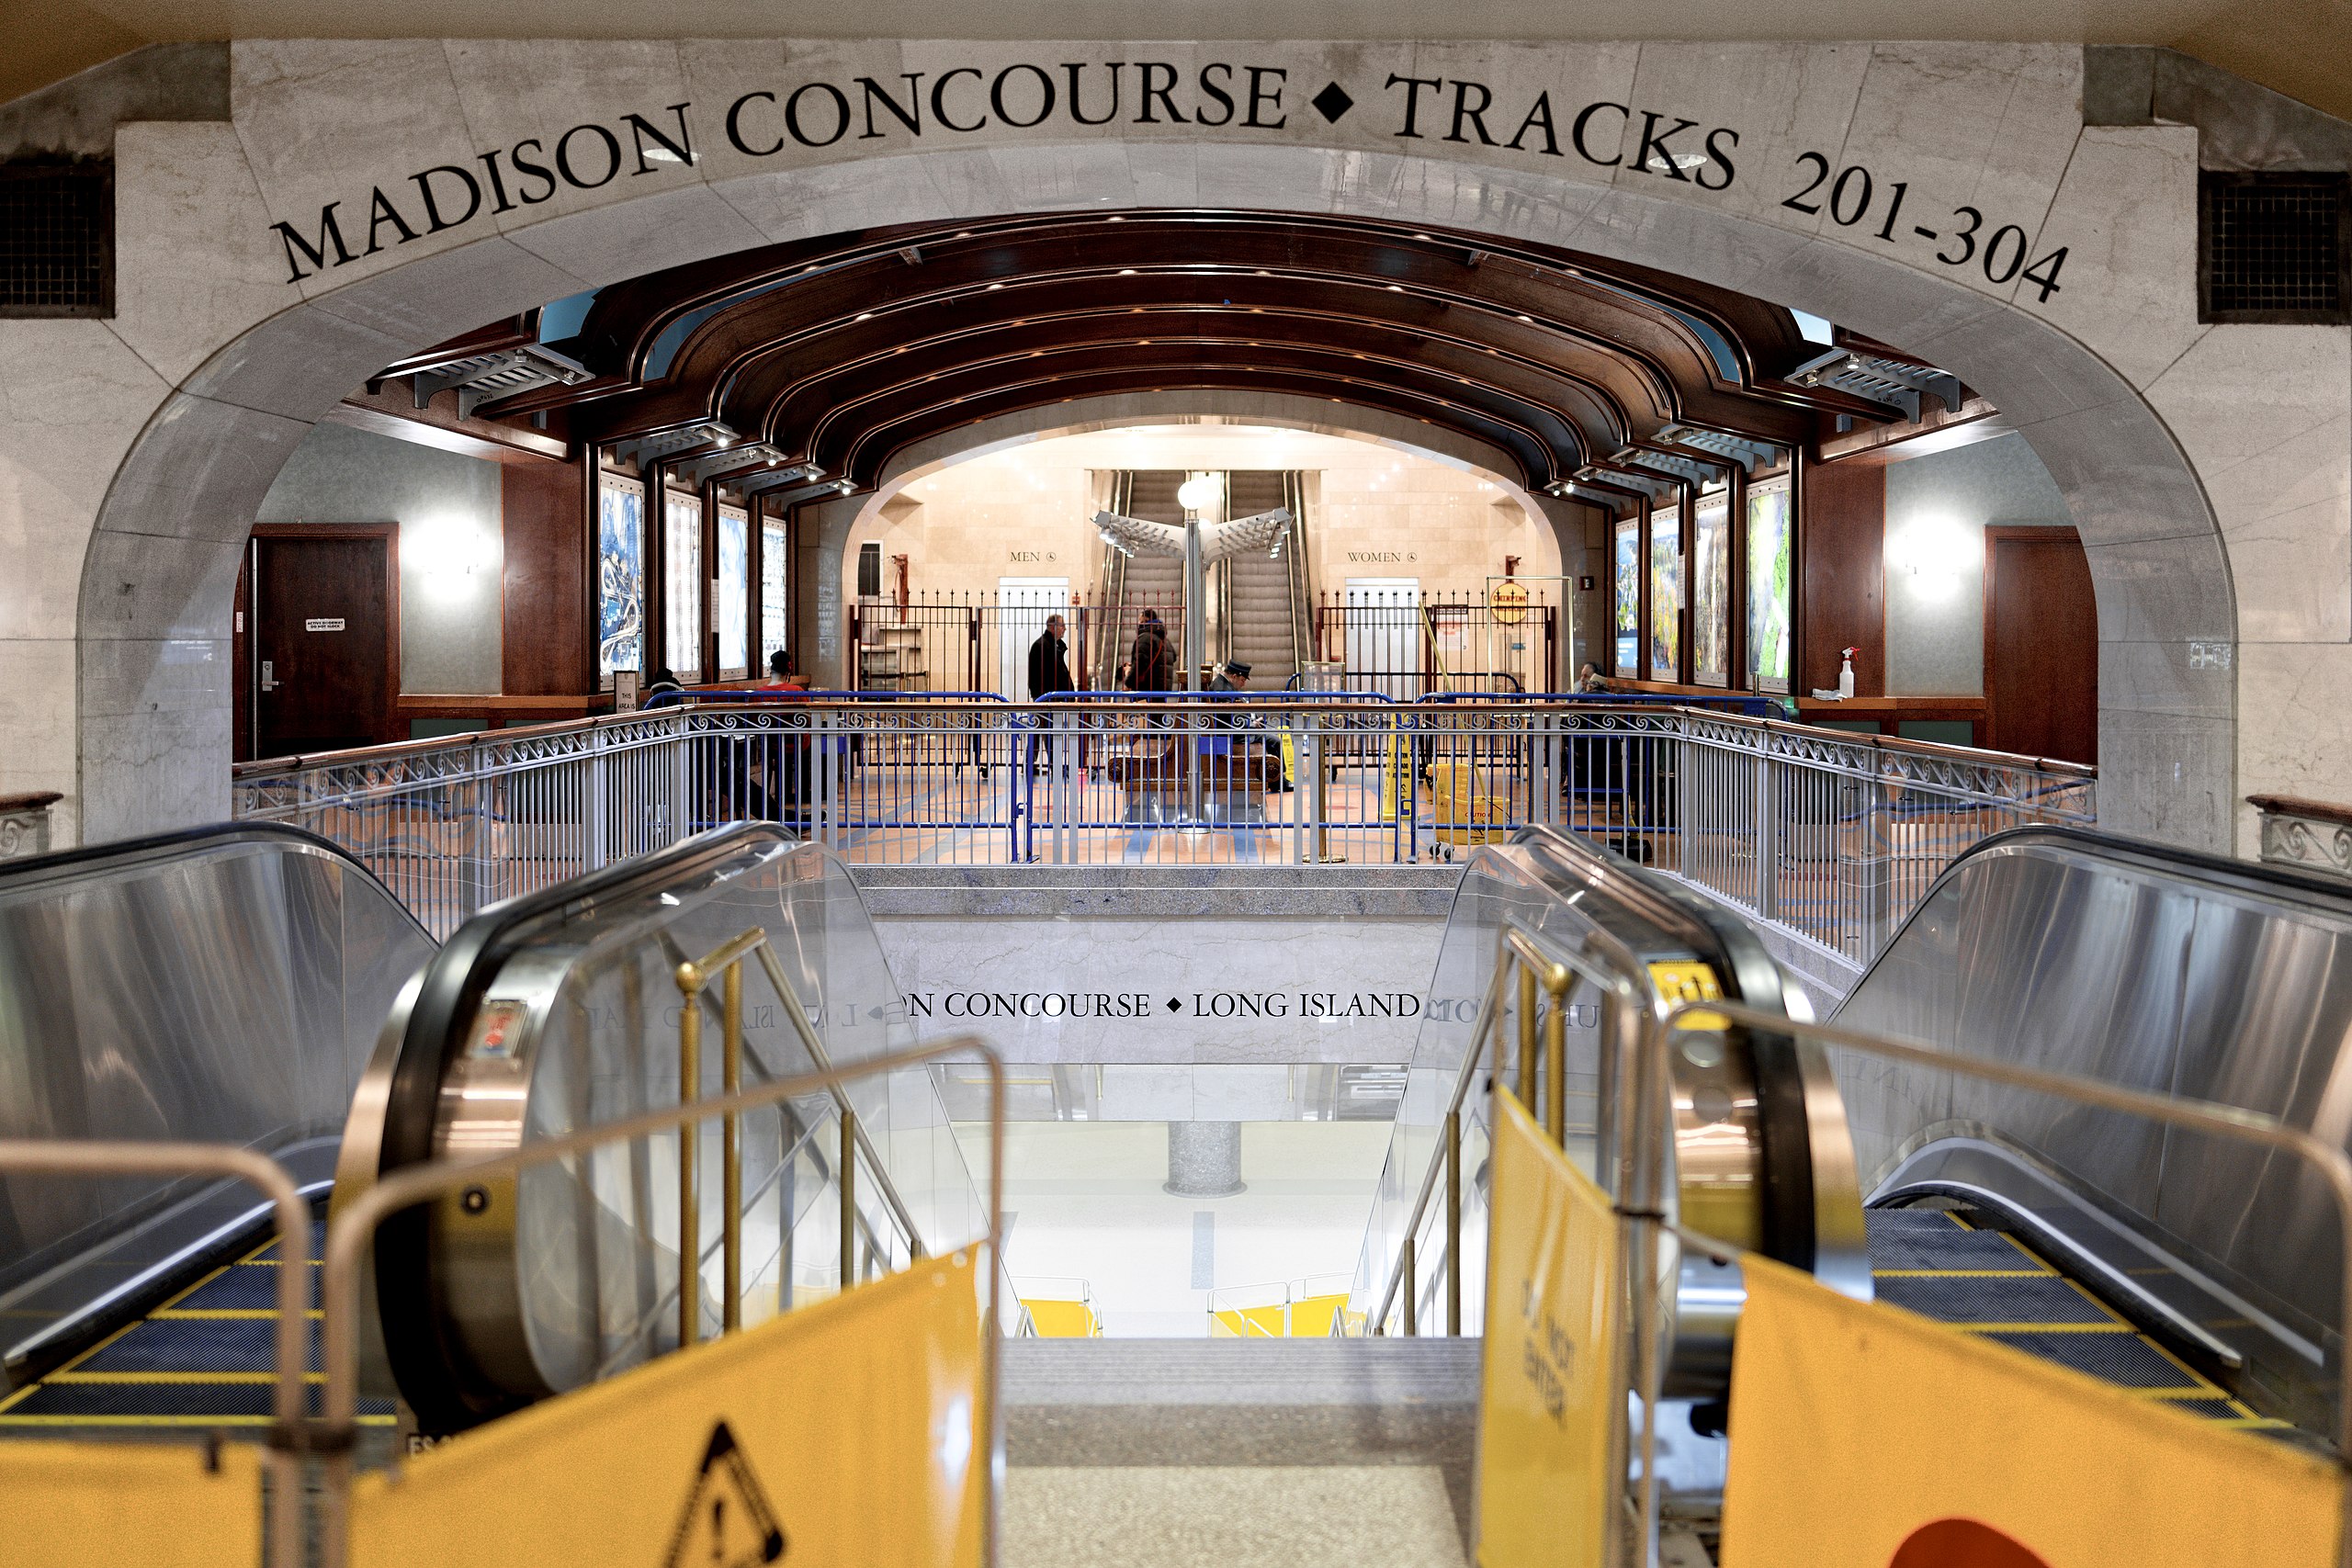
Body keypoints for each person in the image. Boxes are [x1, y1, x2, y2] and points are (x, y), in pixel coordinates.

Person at [1026, 614, 1078, 775]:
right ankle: (1053, 764)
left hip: (1048, 696)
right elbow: (1044, 675)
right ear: (1053, 627)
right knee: (1047, 730)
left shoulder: (1052, 646)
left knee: (1041, 730)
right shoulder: (1043, 646)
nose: (1065, 629)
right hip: (1045, 697)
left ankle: (1031, 763)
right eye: (1062, 626)